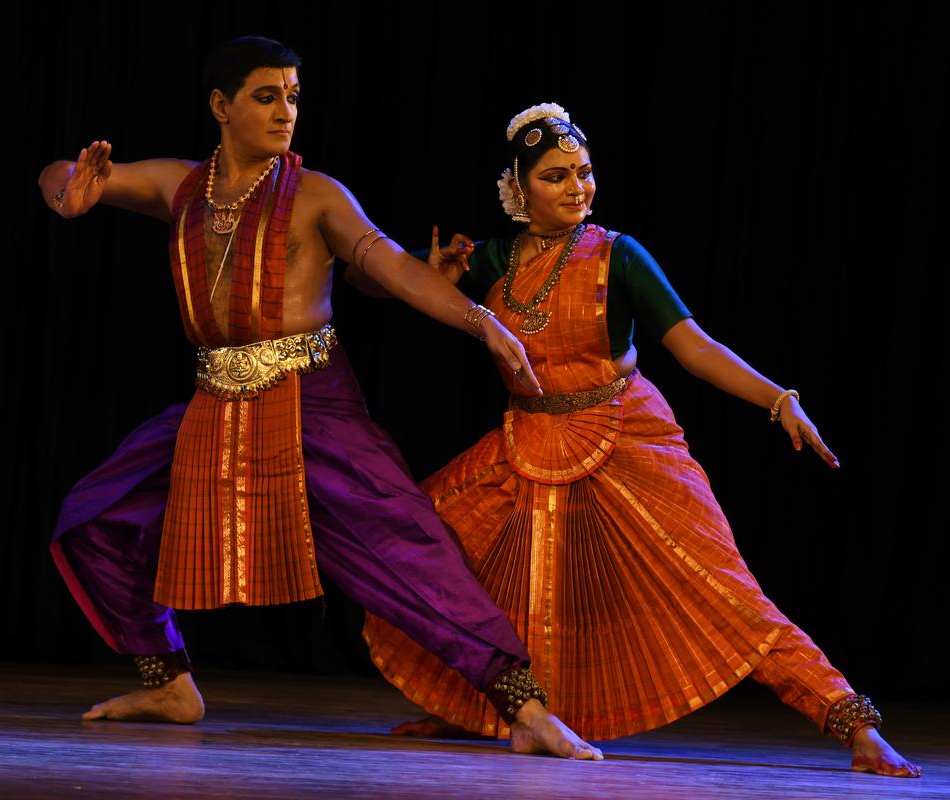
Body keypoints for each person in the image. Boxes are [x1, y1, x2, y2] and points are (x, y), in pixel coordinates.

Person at [37, 41, 602, 760]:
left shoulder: (317, 195)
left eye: (294, 96)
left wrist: (480, 321)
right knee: (98, 518)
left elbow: (390, 265)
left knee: (407, 544)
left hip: (312, 402)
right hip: (217, 401)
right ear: (221, 106)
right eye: (267, 96)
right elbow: (63, 174)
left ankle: (524, 706)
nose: (285, 111)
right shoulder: (178, 185)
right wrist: (68, 194)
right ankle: (169, 682)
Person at [360, 103, 921, 777]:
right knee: (444, 552)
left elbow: (693, 346)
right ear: (518, 188)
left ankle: (851, 722)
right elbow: (373, 277)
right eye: (557, 176)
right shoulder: (491, 260)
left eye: (585, 172)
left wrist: (778, 399)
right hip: (528, 439)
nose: (577, 187)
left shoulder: (617, 257)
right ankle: (482, 705)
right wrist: (435, 270)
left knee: (724, 590)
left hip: (626, 439)